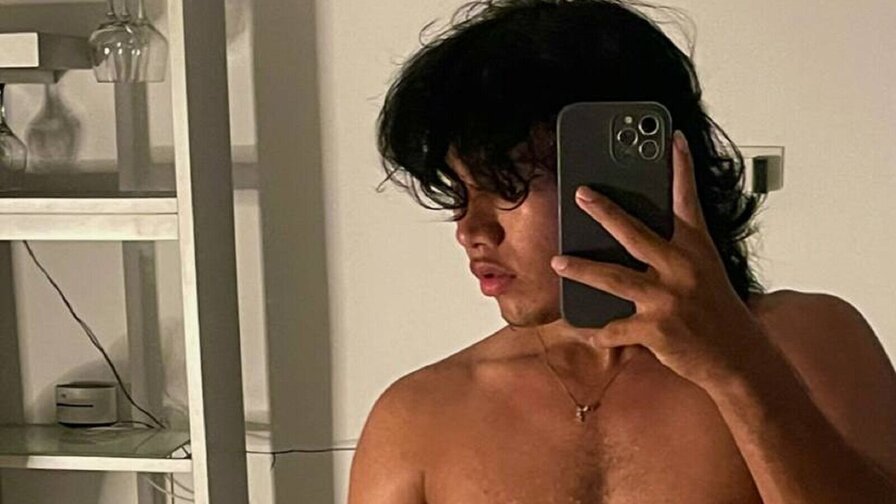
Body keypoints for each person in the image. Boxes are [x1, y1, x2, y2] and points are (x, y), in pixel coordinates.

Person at [347, 1, 896, 502]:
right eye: (459, 192)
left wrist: (737, 370)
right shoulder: (417, 420)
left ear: (630, 173)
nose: (471, 229)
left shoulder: (807, 342)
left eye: (505, 185)